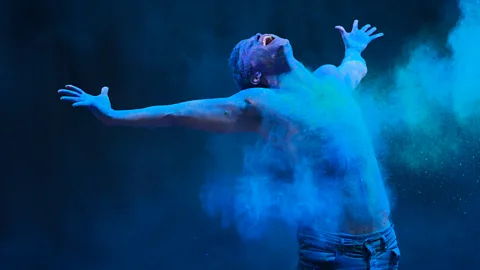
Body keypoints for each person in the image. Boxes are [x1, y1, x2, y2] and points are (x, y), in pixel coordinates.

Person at [58, 20, 400, 269]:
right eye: (250, 45)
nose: (257, 36)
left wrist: (354, 50)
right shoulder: (260, 103)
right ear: (255, 75)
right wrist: (112, 115)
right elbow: (175, 114)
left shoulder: (329, 78)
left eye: (257, 37)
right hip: (334, 253)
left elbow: (354, 70)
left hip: (385, 246)